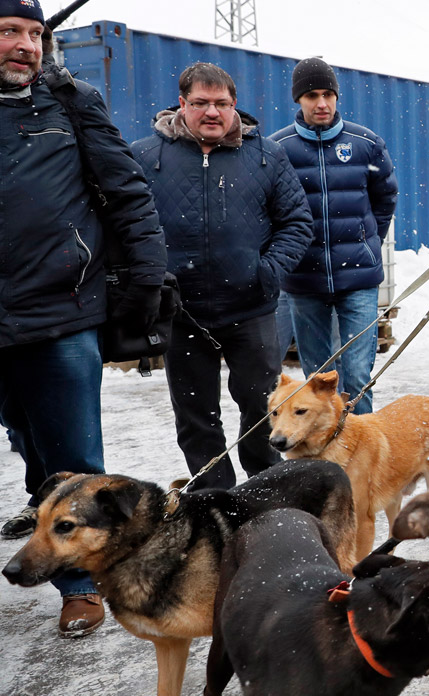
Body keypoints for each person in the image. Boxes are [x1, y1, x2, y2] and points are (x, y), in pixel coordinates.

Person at [0, 0, 165, 637]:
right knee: (30, 441)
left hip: (61, 307)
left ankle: (79, 583)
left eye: (35, 34)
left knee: (73, 455)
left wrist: (147, 275)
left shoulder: (70, 103)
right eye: (11, 32)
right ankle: (44, 521)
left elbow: (126, 190)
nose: (27, 46)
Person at [132, 62, 312, 490]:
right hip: (182, 313)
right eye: (200, 103)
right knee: (196, 413)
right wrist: (150, 280)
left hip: (250, 309)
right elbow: (124, 225)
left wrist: (268, 272)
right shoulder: (144, 156)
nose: (211, 112)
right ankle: (215, 494)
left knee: (259, 404)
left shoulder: (267, 155)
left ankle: (264, 485)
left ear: (234, 106)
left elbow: (297, 221)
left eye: (221, 104)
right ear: (182, 104)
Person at [272, 58, 398, 414]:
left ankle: (363, 457)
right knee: (320, 380)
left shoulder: (365, 143)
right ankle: (328, 461)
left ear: (337, 96)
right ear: (299, 99)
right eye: (312, 95)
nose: (321, 103)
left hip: (358, 279)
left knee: (357, 376)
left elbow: (385, 197)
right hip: (304, 280)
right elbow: (268, 210)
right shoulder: (277, 149)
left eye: (328, 94)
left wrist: (365, 240)